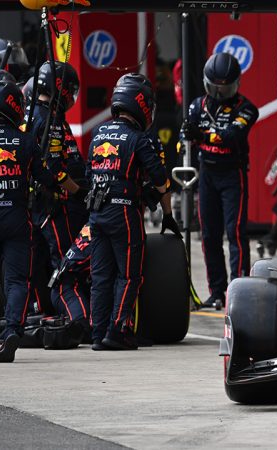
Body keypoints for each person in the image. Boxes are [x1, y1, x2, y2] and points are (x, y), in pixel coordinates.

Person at [87, 73, 179, 350]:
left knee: (100, 276)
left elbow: (89, 172)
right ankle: (117, 331)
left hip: (96, 213)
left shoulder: (97, 133)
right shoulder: (138, 138)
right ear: (141, 104)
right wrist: (168, 214)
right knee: (129, 276)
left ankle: (97, 334)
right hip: (124, 213)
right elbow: (160, 178)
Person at [0, 70, 76, 362]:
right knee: (17, 280)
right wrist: (69, 190)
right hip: (17, 219)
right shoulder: (25, 141)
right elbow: (48, 177)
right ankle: (12, 330)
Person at [181, 53, 258, 309]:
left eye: (225, 88)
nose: (219, 93)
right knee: (209, 235)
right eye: (215, 87)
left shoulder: (246, 109)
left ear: (236, 84)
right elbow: (186, 137)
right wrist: (187, 137)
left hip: (233, 174)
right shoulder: (196, 106)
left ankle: (239, 289)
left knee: (235, 233)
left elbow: (232, 135)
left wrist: (201, 135)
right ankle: (217, 291)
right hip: (206, 175)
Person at [25, 62, 88, 315]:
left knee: (37, 267)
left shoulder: (30, 113)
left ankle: (45, 313)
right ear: (61, 89)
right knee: (65, 268)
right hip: (53, 206)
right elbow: (54, 169)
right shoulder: (50, 120)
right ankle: (78, 318)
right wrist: (79, 192)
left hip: (32, 207)